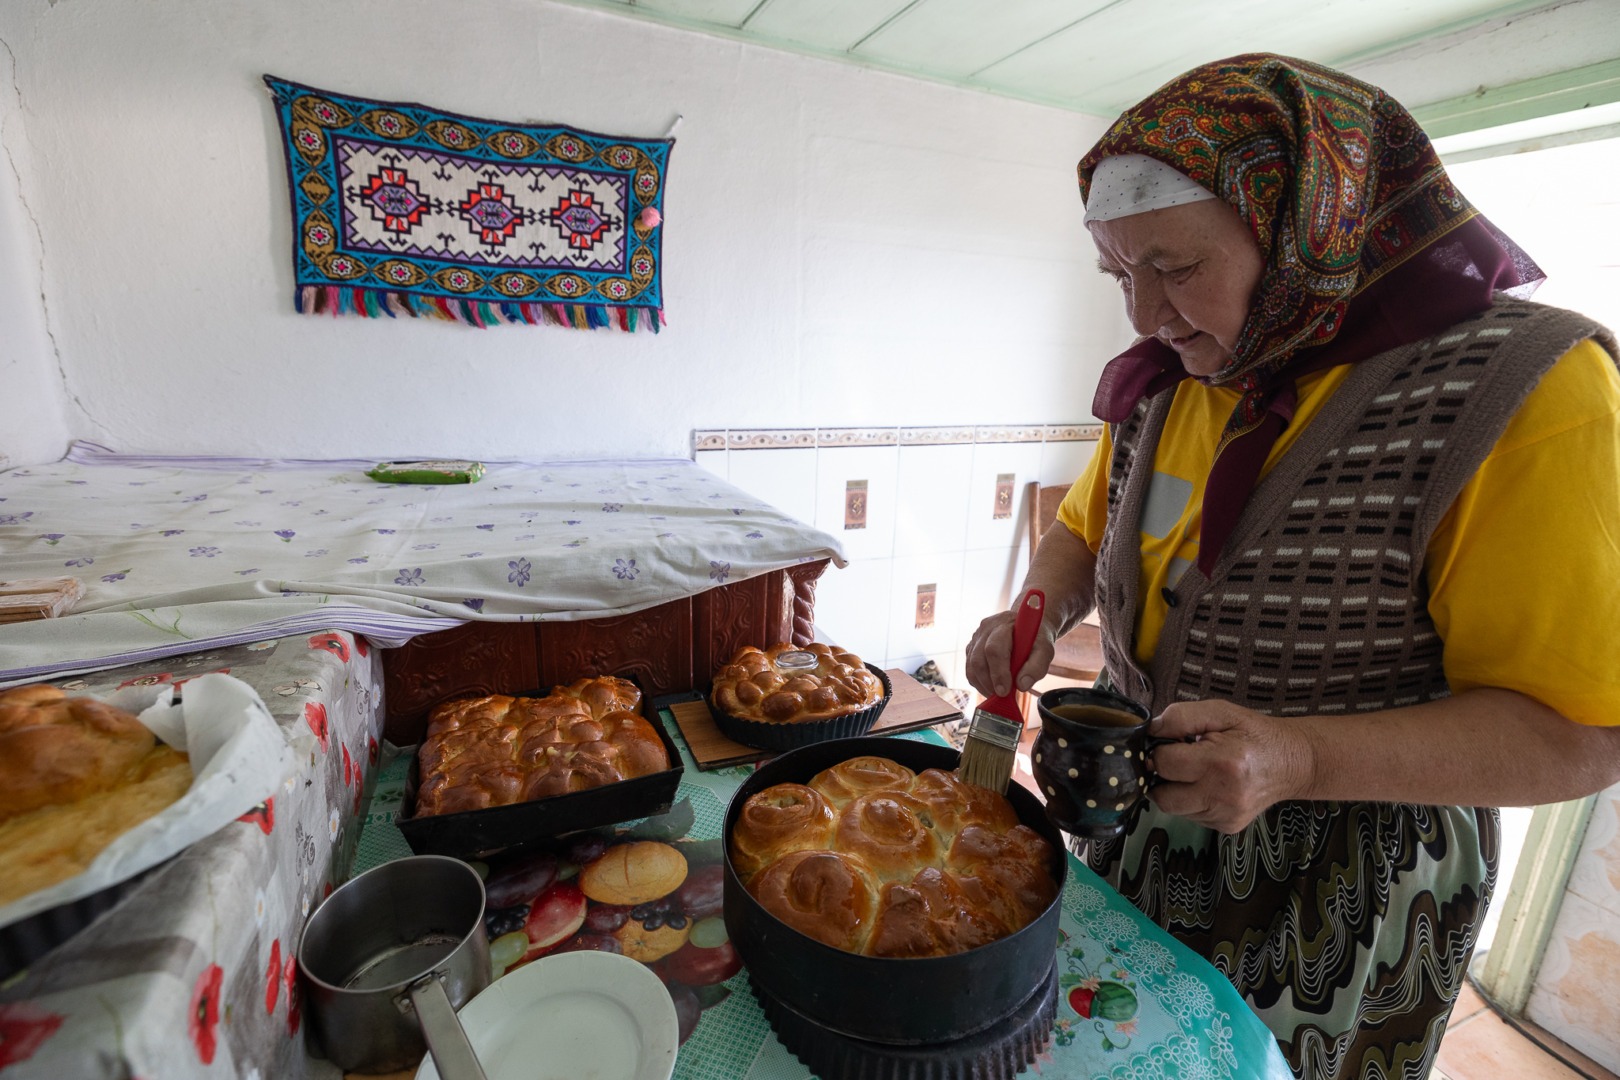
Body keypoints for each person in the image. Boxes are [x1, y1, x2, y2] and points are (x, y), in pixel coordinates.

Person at [965, 53, 1620, 1080]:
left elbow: (1578, 738)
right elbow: (1088, 533)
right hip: (1143, 840)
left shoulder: (1524, 392)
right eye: (1119, 275)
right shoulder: (1177, 381)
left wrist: (1302, 758)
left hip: (1340, 899)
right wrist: (1037, 614)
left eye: (1176, 267)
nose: (1143, 314)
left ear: (1307, 231)